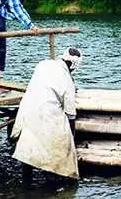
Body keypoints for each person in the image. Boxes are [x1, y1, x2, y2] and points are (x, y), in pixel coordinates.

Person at [10, 47, 83, 180]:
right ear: (73, 66)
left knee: (29, 144)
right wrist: (71, 135)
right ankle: (53, 175)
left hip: (28, 108)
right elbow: (70, 112)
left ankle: (27, 179)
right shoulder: (67, 79)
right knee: (57, 141)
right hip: (49, 113)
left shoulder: (43, 64)